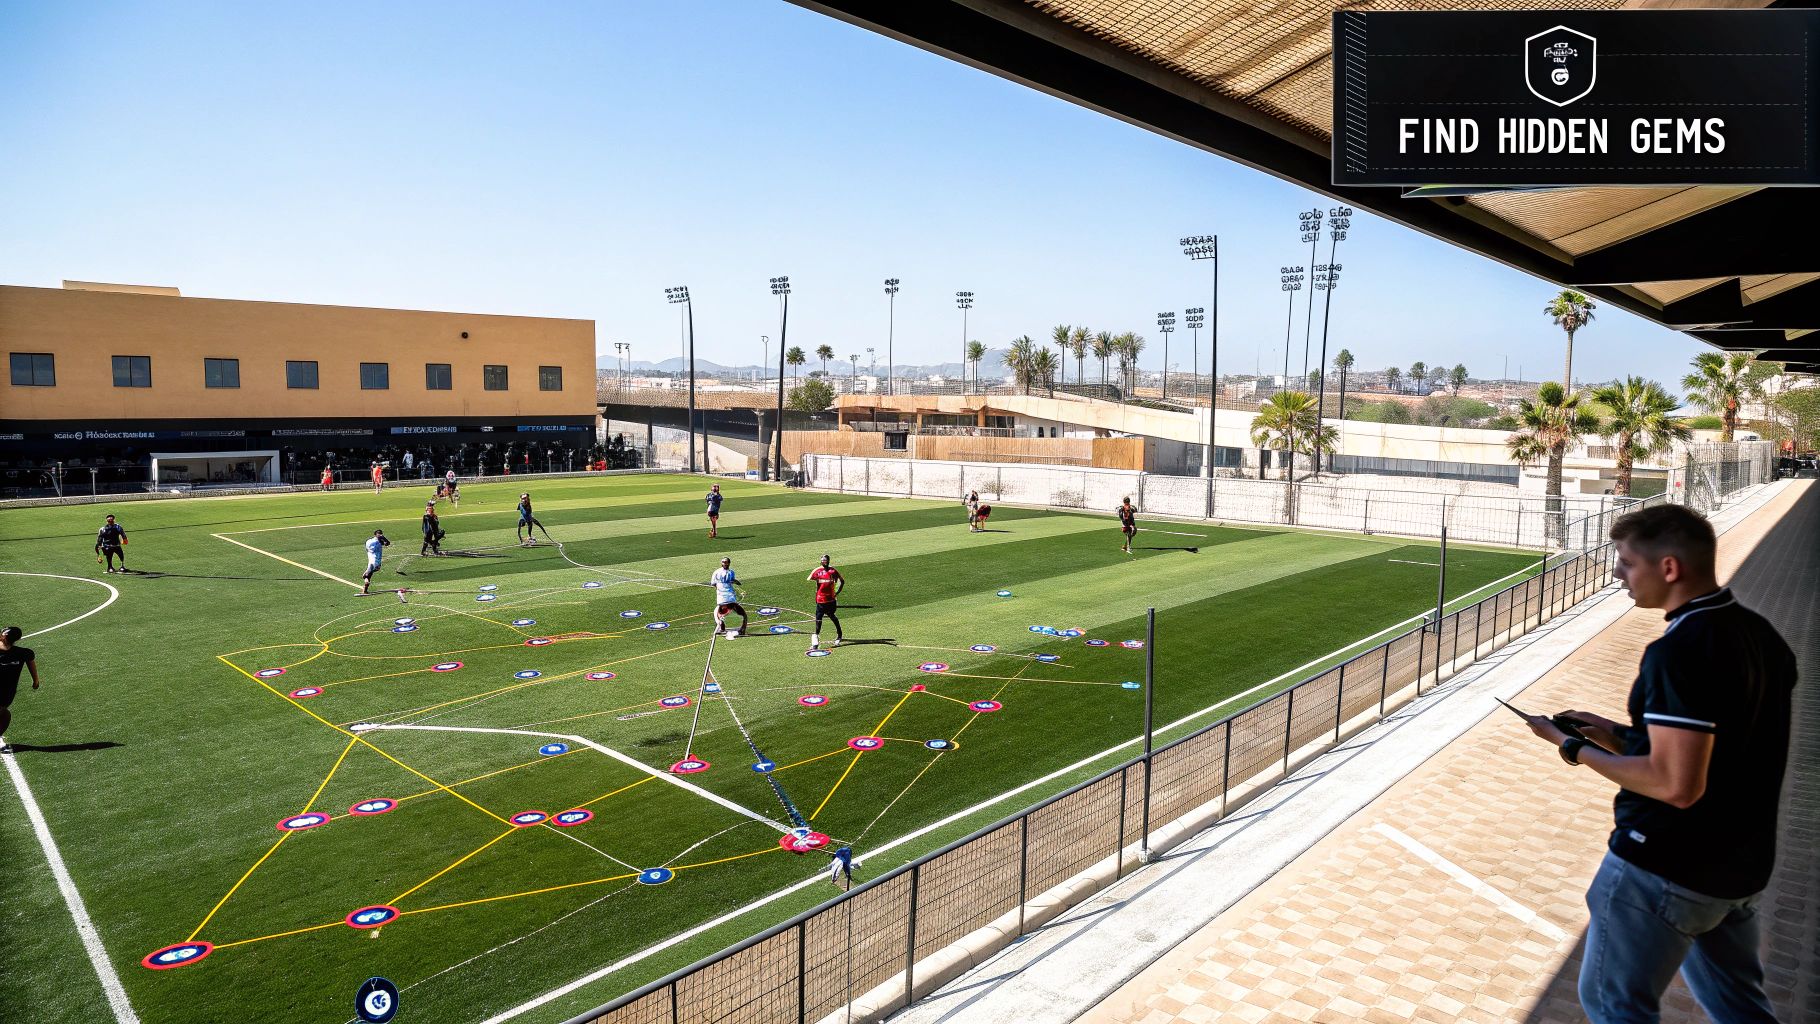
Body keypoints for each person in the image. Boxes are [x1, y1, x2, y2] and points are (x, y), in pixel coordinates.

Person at [1516, 504, 1794, 1024]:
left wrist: (1570, 745)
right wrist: (1620, 734)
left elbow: (1675, 784)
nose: (1617, 573)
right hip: (1738, 868)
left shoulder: (1680, 650)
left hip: (1664, 867)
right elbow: (1721, 751)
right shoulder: (1761, 637)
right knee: (1740, 1009)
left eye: (1625, 562)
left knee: (1614, 1006)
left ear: (1668, 568)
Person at [0, 626, 42, 755]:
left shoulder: (22, 653)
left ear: (5, 637)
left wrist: (35, 680)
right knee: (4, 714)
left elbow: (30, 661)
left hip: (7, 694)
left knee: (5, 716)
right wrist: (35, 680)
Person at [808, 554, 844, 651]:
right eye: (822, 560)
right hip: (820, 600)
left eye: (825, 560)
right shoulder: (817, 571)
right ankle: (816, 640)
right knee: (818, 619)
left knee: (832, 616)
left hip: (831, 600)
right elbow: (815, 582)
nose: (823, 561)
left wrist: (836, 592)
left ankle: (839, 634)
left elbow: (842, 581)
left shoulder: (833, 571)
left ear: (828, 561)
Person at [711, 557, 747, 638]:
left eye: (725, 562)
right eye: (724, 562)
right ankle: (743, 629)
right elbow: (733, 581)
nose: (724, 564)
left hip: (722, 598)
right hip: (730, 598)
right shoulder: (731, 572)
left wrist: (719, 588)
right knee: (743, 614)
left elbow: (713, 584)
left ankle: (721, 626)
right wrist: (737, 583)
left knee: (718, 613)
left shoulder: (716, 572)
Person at [360, 529, 391, 594]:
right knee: (376, 569)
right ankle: (366, 578)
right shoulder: (379, 542)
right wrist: (383, 538)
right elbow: (388, 543)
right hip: (377, 562)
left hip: (371, 560)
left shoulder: (369, 541)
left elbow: (367, 547)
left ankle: (366, 581)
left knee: (369, 574)